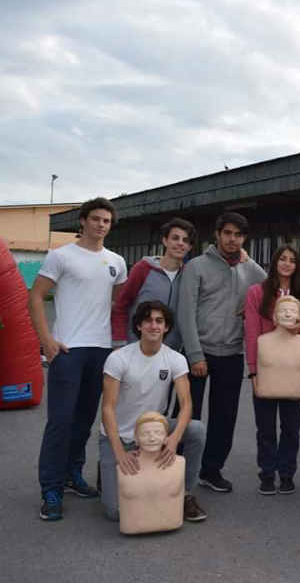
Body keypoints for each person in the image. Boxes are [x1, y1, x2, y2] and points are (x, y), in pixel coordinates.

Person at [29, 197, 127, 521]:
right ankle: (51, 488)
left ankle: (72, 475)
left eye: (107, 221)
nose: (101, 225)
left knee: (85, 419)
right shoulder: (61, 256)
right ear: (83, 221)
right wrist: (47, 341)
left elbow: (118, 304)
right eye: (96, 219)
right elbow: (36, 295)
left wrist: (118, 344)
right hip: (68, 349)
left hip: (100, 351)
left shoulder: (116, 261)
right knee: (60, 422)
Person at [176, 211, 266, 493]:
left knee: (224, 417)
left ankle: (211, 470)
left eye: (238, 235)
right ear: (217, 234)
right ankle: (178, 470)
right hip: (199, 353)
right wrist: (194, 354)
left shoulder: (251, 270)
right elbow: (185, 312)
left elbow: (272, 290)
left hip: (231, 353)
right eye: (227, 233)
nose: (232, 239)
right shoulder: (197, 266)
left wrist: (250, 308)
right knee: (188, 416)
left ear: (244, 238)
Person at [99, 301, 207, 523]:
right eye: (148, 320)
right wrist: (119, 451)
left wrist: (174, 439)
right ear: (139, 325)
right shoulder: (118, 358)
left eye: (159, 321)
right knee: (115, 513)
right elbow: (107, 408)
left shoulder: (175, 359)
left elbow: (186, 403)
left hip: (155, 433)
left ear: (166, 327)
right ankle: (107, 466)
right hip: (121, 437)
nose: (154, 326)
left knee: (196, 429)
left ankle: (185, 493)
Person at [244, 246, 300, 495]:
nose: (286, 264)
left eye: (292, 260)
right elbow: (252, 332)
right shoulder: (257, 292)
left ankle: (286, 474)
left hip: (295, 369)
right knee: (265, 428)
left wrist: (299, 327)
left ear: (298, 265)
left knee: (291, 428)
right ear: (274, 263)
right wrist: (253, 370)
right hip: (267, 367)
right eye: (282, 259)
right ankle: (267, 474)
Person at [111, 217, 196, 351]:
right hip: (135, 349)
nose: (180, 243)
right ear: (165, 240)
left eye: (185, 240)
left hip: (171, 353)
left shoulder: (190, 276)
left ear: (190, 247)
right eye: (175, 238)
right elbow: (121, 306)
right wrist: (119, 343)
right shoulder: (143, 269)